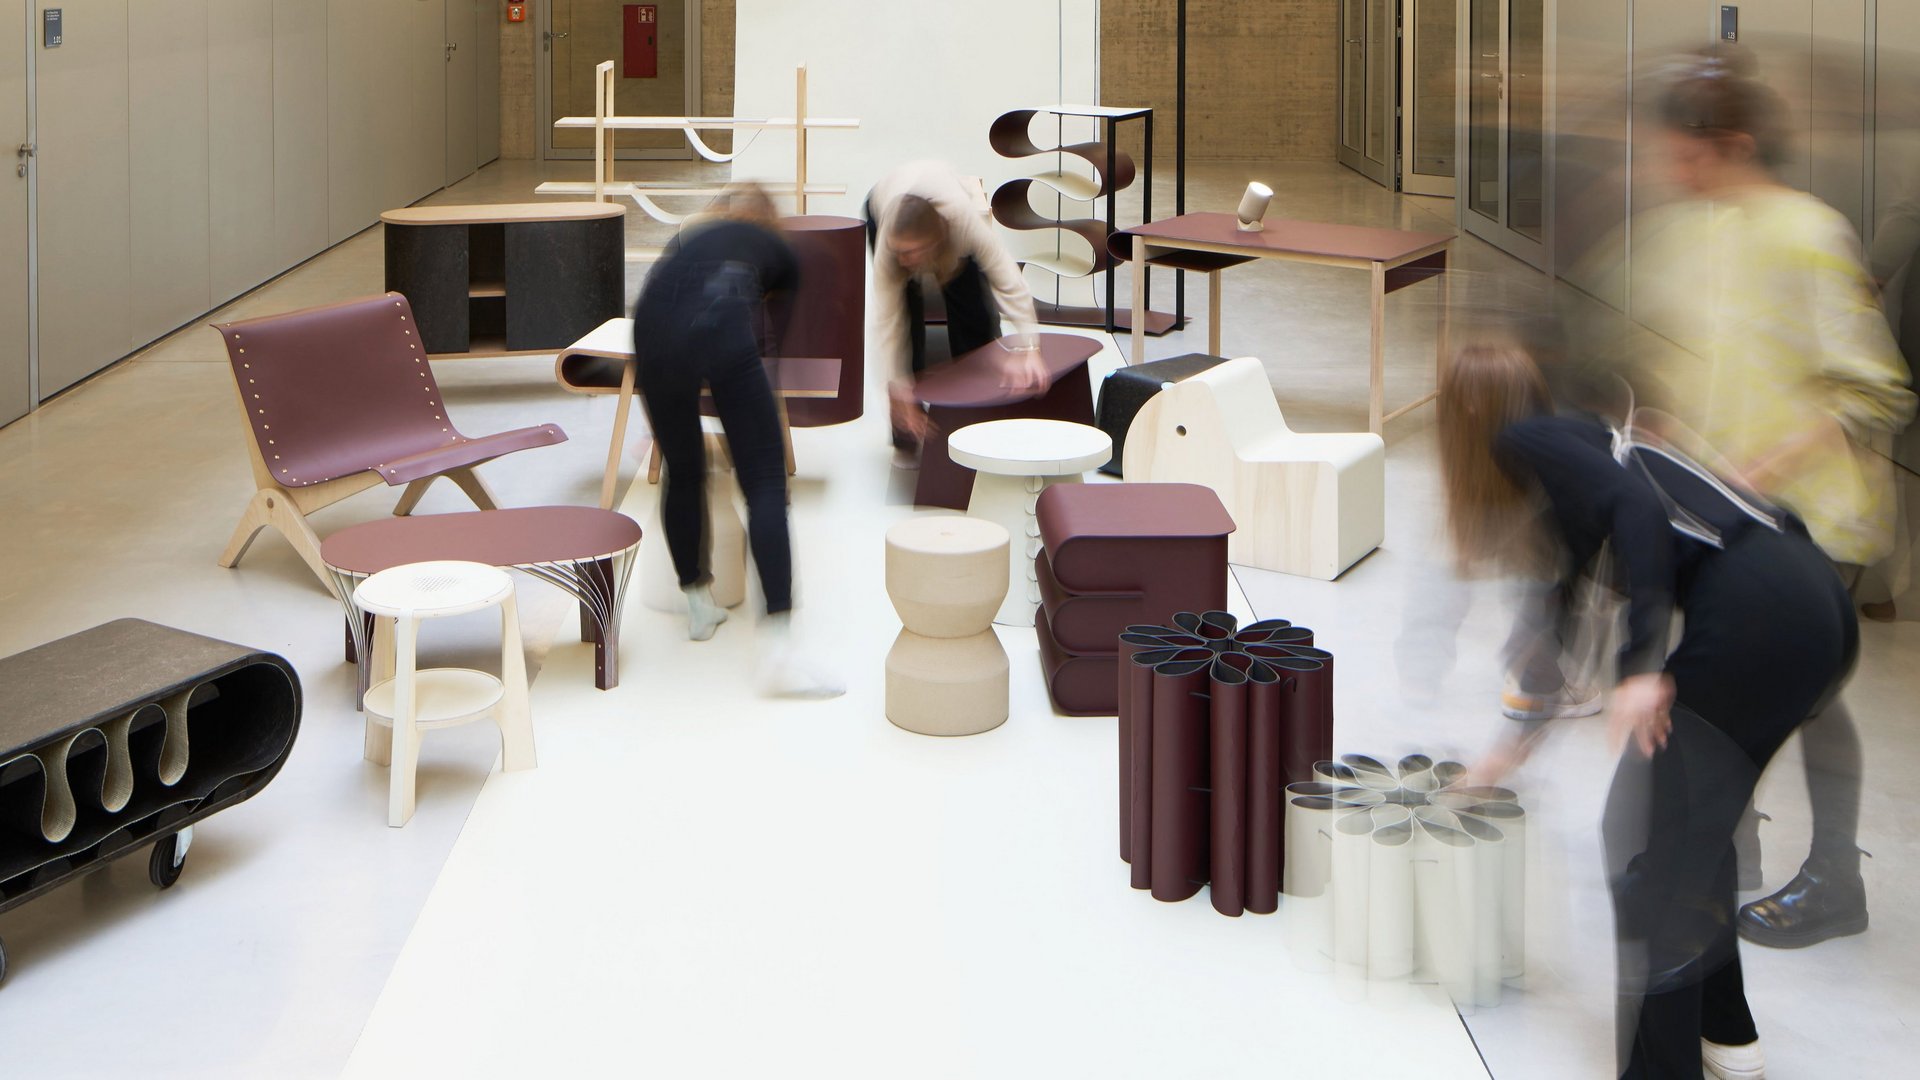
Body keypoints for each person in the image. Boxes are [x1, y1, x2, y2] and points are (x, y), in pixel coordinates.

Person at [1445, 345, 1857, 1080]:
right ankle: (1729, 1036)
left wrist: (1639, 671)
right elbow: (1562, 619)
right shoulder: (1583, 449)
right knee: (1691, 834)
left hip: (1756, 612)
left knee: (1643, 851)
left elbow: (1636, 513)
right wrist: (1504, 755)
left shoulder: (1526, 439)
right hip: (1812, 603)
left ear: (1469, 413)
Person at [1635, 49, 1914, 949]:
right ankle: (1731, 852)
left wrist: (1772, 459)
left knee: (1804, 691)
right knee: (1722, 678)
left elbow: (1877, 388)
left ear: (1740, 144)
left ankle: (1835, 876)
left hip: (1815, 517)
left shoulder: (1809, 232)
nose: (1677, 174)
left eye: (1692, 156)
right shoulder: (1696, 231)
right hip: (1726, 514)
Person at [631, 185, 842, 698]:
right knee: (766, 484)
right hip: (723, 335)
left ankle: (699, 605)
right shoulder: (780, 252)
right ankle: (778, 648)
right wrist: (749, 423)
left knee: (683, 467)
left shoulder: (689, 238)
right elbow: (771, 346)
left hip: (649, 336)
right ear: (771, 220)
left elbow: (666, 304)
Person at [865, 161, 1047, 459]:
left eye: (911, 253)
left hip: (945, 220)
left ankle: (982, 417)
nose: (906, 261)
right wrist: (898, 389)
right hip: (884, 203)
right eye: (901, 253)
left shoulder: (964, 223)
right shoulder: (892, 247)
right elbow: (887, 321)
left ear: (933, 242)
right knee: (907, 320)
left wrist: (1030, 346)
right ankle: (907, 434)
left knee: (975, 315)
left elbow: (1007, 279)